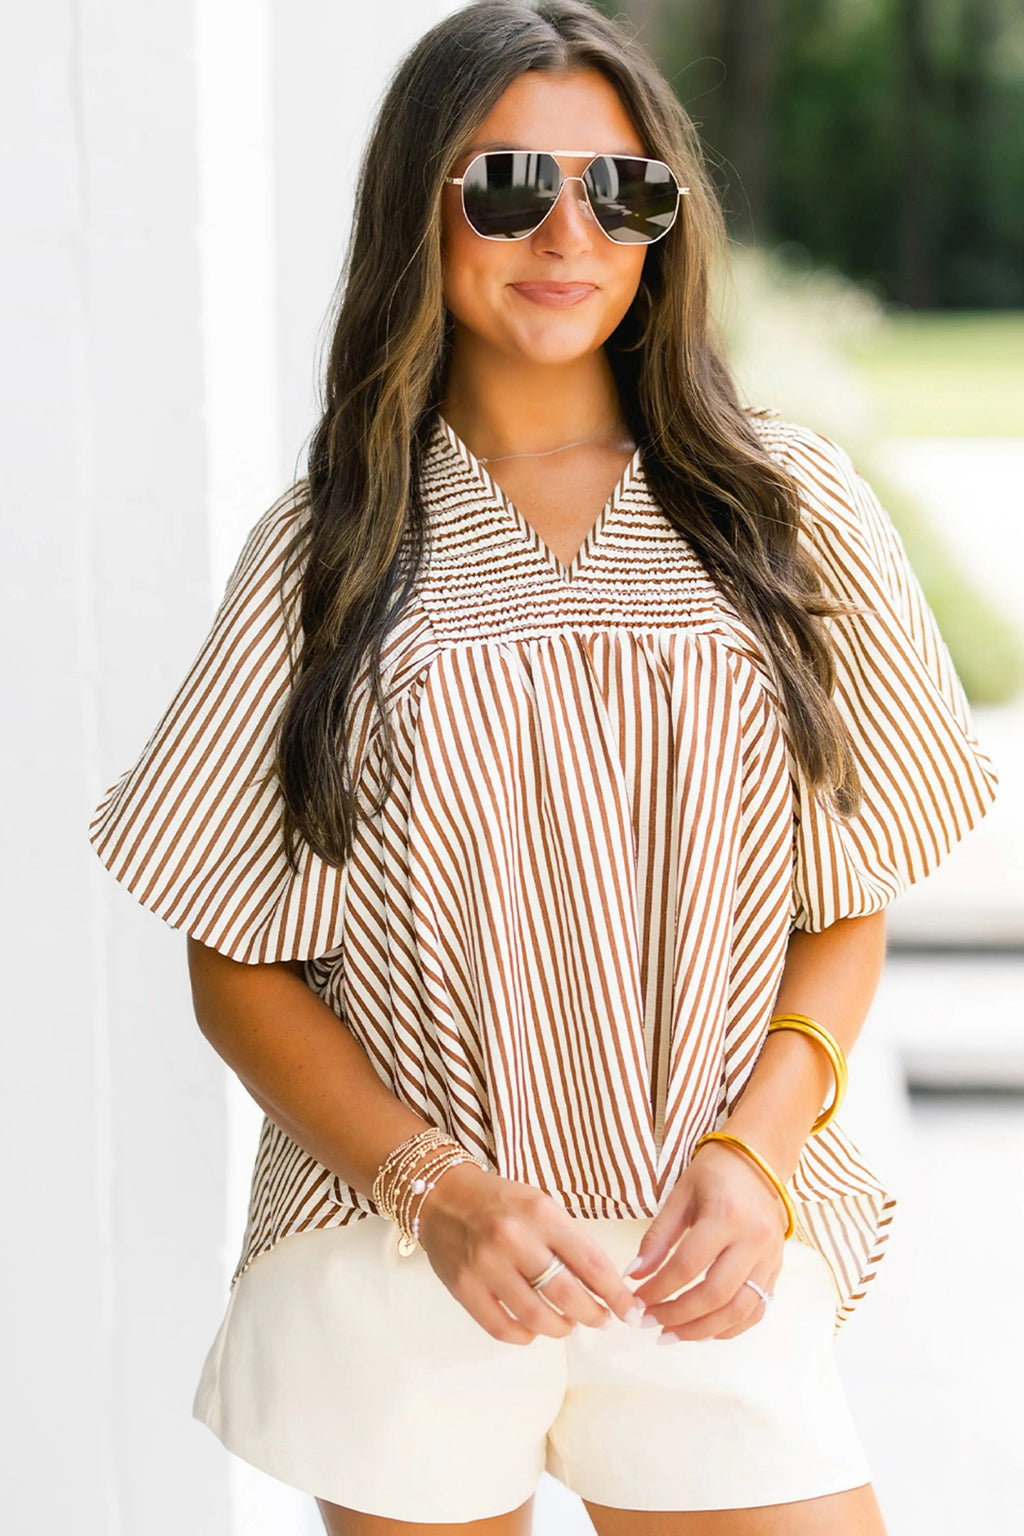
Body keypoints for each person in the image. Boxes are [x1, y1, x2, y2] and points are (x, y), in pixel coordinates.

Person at [87, 2, 1001, 1532]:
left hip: (702, 1243)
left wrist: (752, 1156)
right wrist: (444, 1196)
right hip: (406, 1257)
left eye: (621, 190)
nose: (568, 231)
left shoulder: (782, 511)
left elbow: (844, 902)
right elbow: (234, 961)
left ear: (666, 225)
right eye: (509, 184)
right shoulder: (329, 552)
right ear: (420, 212)